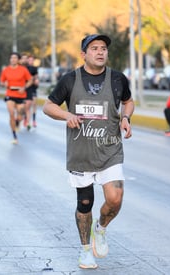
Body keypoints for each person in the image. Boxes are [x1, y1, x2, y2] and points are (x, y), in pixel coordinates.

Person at [43, 34, 134, 269]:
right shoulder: (70, 80)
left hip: (110, 150)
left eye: (103, 48)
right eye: (94, 48)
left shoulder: (117, 79)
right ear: (84, 54)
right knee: (85, 203)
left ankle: (101, 228)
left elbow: (129, 101)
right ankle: (85, 251)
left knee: (115, 199)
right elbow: (48, 106)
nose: (100, 52)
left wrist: (125, 117)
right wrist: (67, 115)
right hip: (81, 153)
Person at [0, 52, 32, 144]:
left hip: (21, 95)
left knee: (20, 115)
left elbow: (30, 80)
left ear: (18, 60)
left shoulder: (23, 70)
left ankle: (18, 122)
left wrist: (24, 87)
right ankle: (14, 135)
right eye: (11, 58)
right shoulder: (6, 70)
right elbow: (2, 82)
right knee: (11, 113)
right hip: (10, 94)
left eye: (15, 58)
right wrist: (4, 84)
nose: (13, 59)